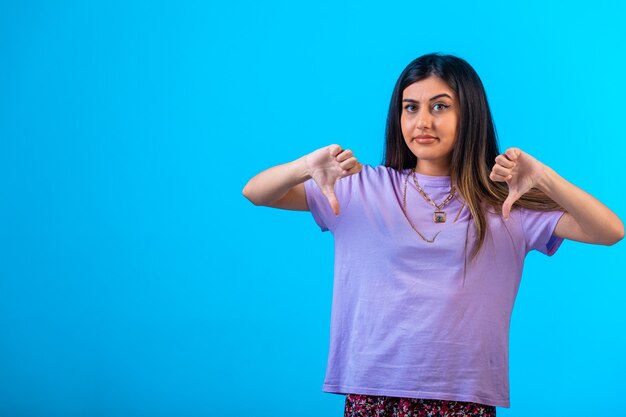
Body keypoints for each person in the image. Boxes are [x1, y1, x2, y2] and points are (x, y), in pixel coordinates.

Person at [242, 53, 624, 417]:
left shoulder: (506, 203)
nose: (422, 121)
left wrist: (544, 178)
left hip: (464, 397)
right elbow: (257, 192)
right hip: (375, 392)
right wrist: (305, 166)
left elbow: (610, 231)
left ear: (468, 114)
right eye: (411, 108)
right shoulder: (359, 188)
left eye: (440, 106)